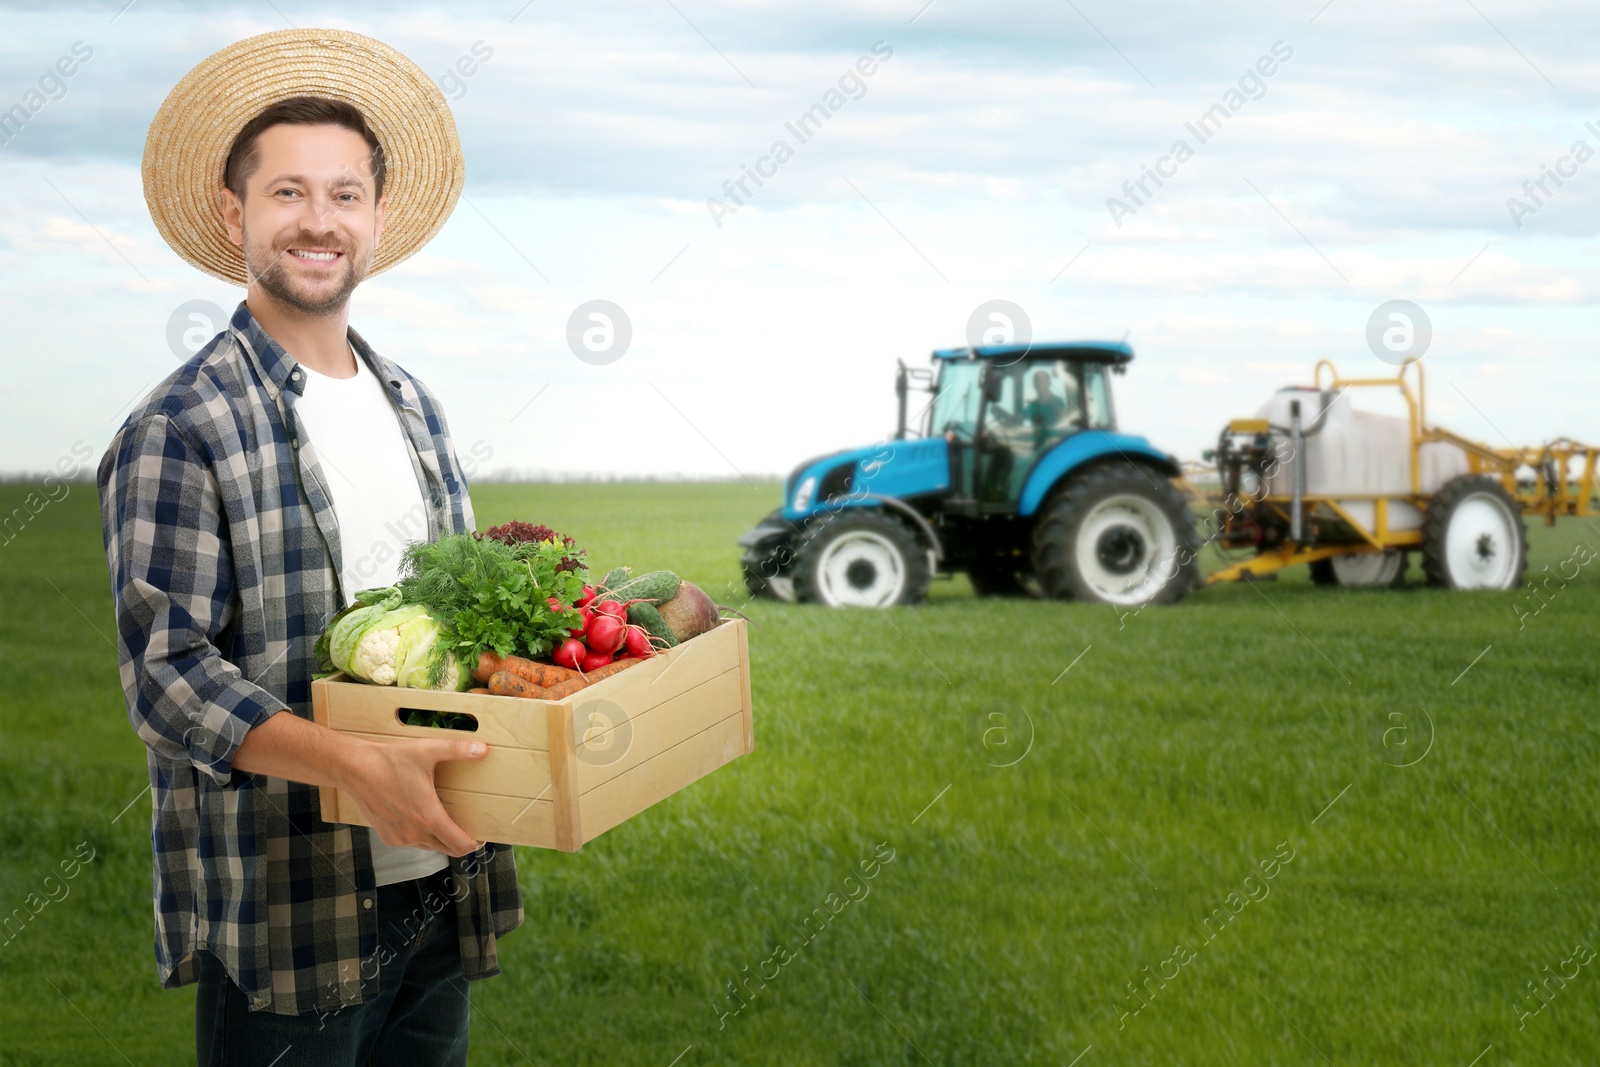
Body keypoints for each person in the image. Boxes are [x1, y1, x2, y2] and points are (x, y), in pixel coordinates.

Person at [95, 29, 520, 1065]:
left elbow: (461, 628)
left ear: (376, 219)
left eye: (343, 194)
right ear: (236, 216)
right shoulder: (185, 424)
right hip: (292, 910)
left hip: (439, 873)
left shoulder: (413, 404)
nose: (318, 221)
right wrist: (352, 765)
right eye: (288, 194)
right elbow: (171, 678)